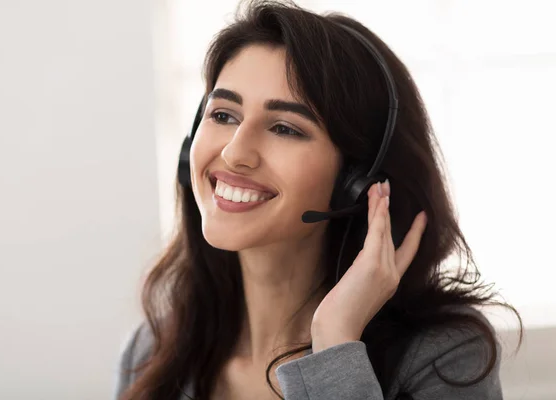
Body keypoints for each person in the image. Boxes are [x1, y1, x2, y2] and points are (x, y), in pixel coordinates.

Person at [115, 1, 521, 399]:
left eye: (284, 128)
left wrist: (335, 344)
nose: (235, 153)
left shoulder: (444, 356)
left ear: (355, 180)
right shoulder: (153, 348)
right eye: (223, 115)